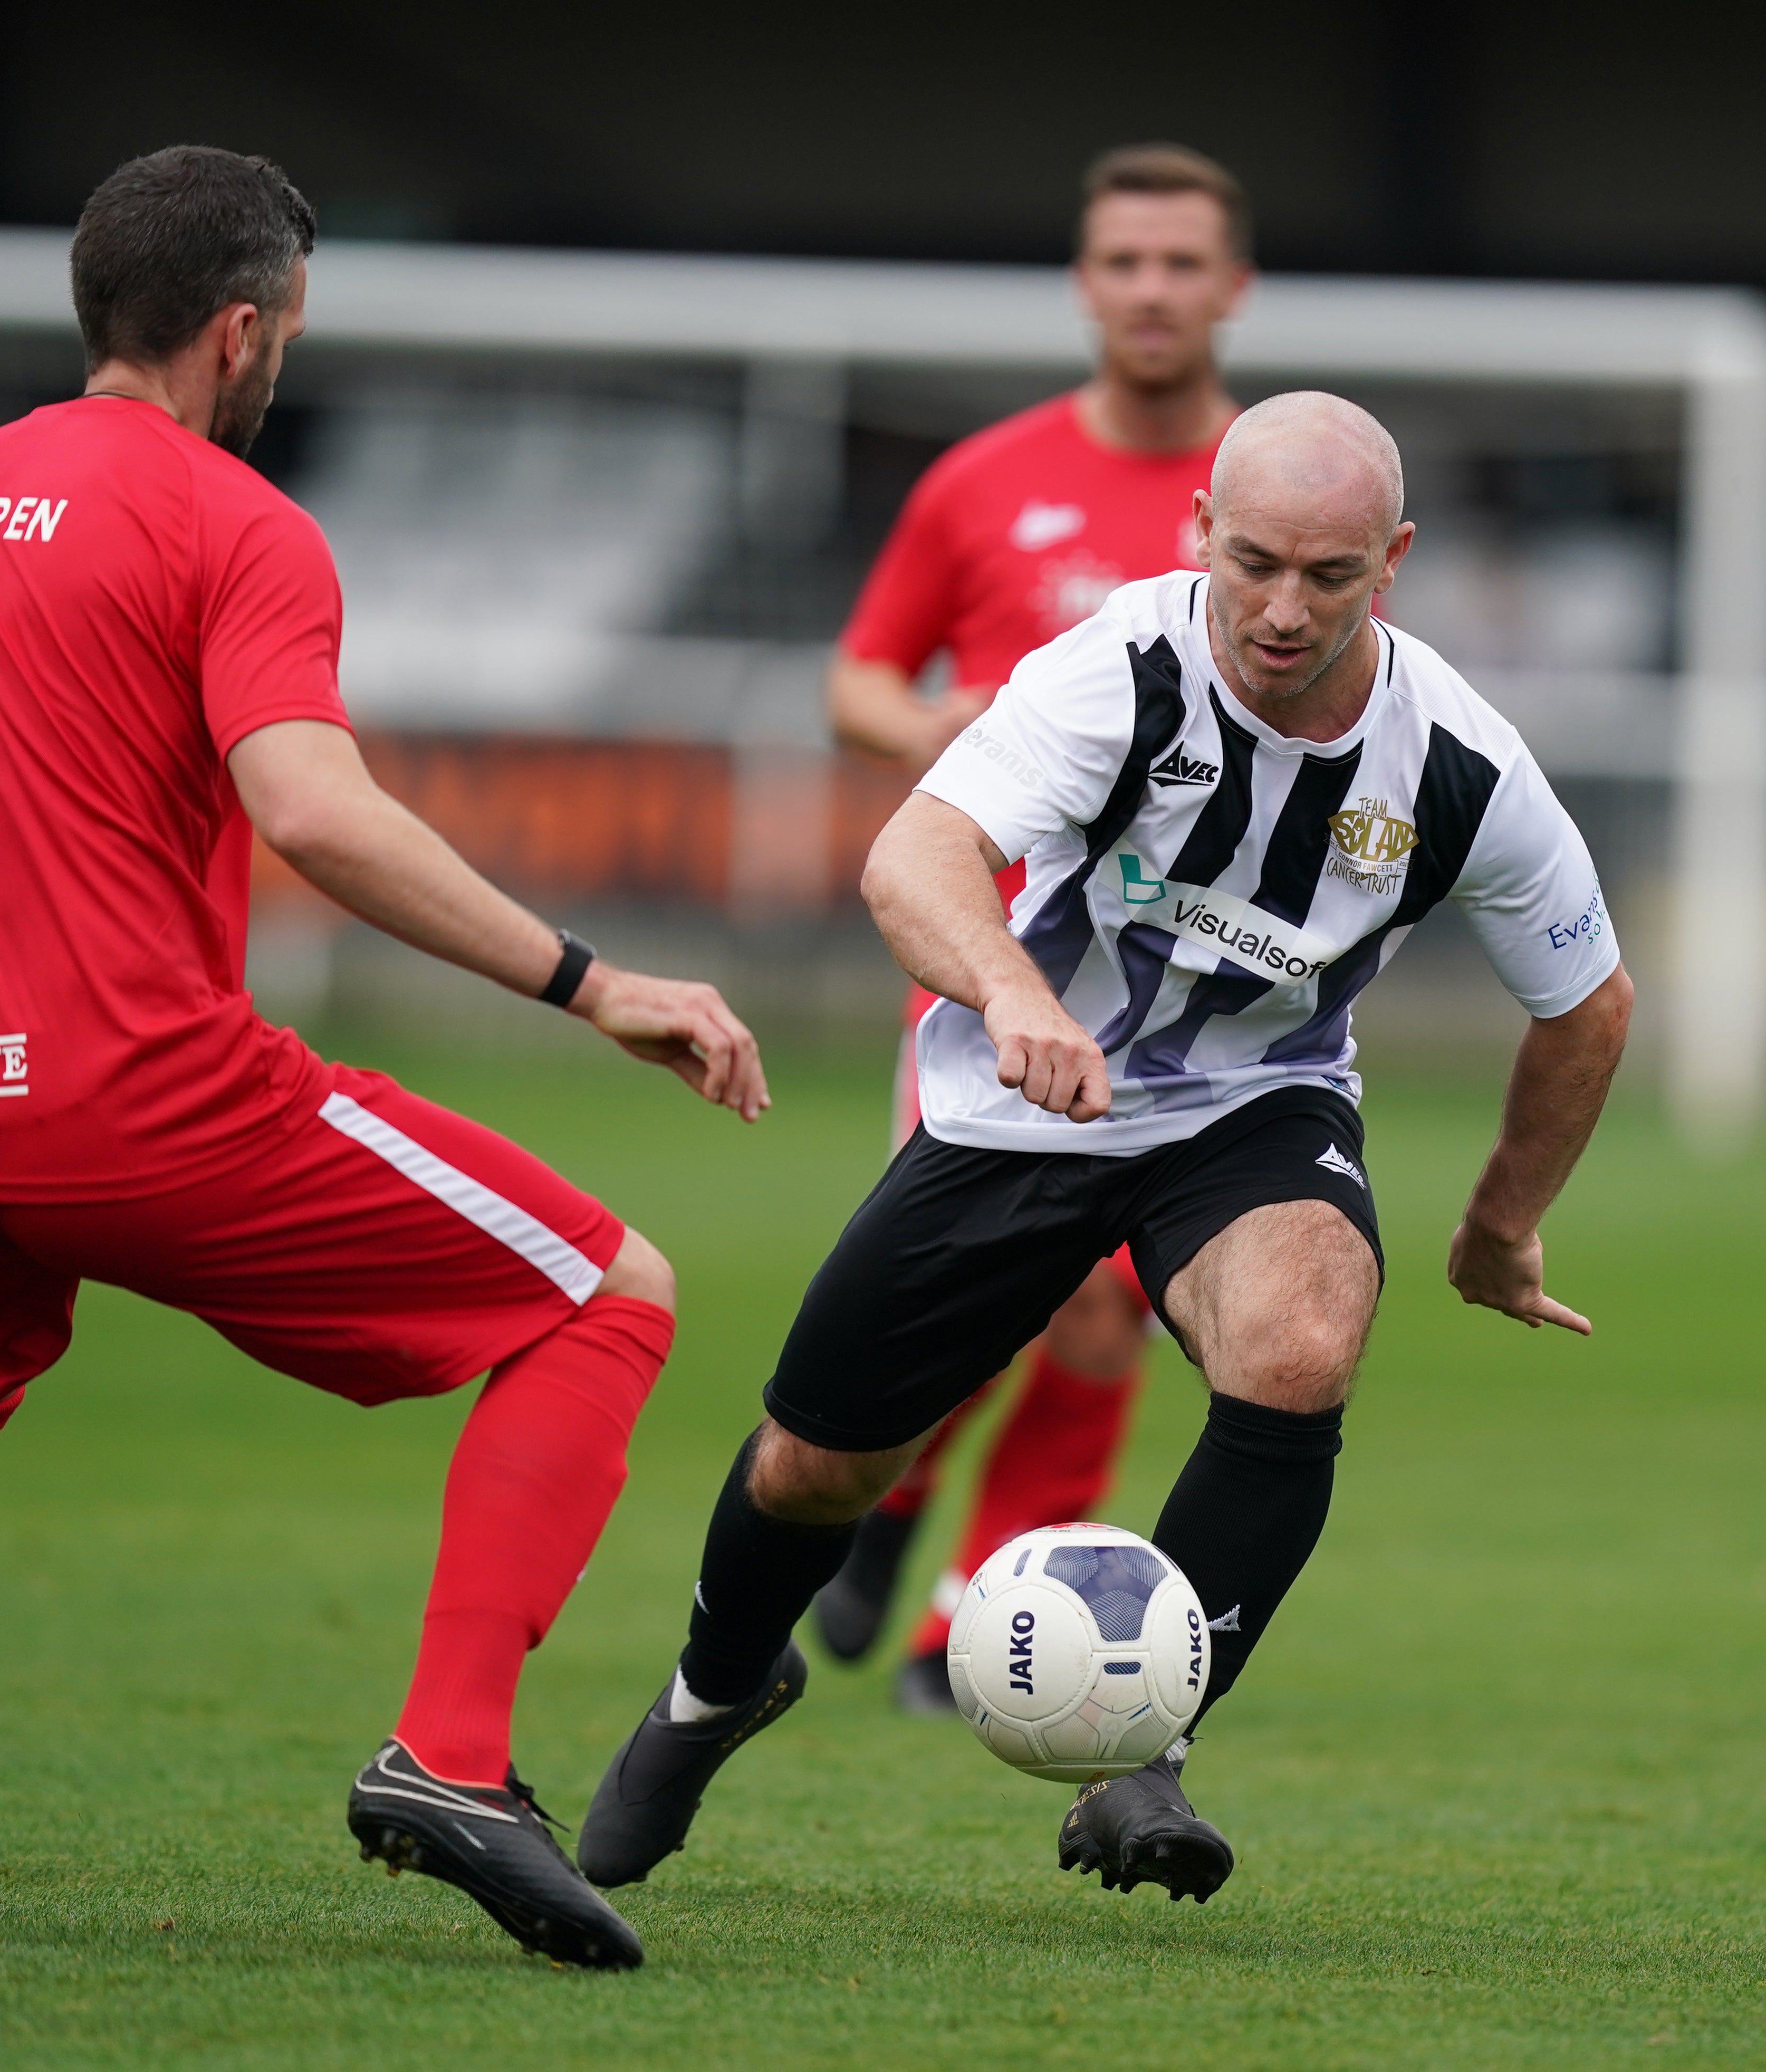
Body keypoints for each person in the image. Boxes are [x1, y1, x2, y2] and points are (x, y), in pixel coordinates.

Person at [0, 146, 767, 1973]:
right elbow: (316, 811)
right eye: (287, 331)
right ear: (239, 328)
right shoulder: (234, 520)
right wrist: (589, 979)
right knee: (605, 1292)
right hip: (133, 1096)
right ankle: (450, 1759)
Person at [574, 391, 1632, 1905]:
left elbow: (1586, 1003)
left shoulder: (1457, 761)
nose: (1280, 609)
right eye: (1251, 559)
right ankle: (710, 1691)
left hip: (1249, 1107)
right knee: (817, 1466)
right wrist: (1009, 991)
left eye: (1327, 576)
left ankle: (1146, 1751)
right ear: (1197, 529)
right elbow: (912, 857)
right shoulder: (1112, 670)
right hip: (1026, 1107)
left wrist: (1499, 1223)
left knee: (1303, 1336)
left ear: (1390, 563)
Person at [817, 144, 1253, 1710]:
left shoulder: (1269, 505)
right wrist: (949, 720)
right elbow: (855, 675)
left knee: (1101, 1317)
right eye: (1123, 260)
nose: (1150, 289)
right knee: (972, 1294)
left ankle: (975, 1621)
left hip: (1186, 980)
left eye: (1180, 262)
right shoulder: (983, 481)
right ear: (1086, 284)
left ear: (1231, 287)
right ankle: (900, 1492)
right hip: (988, 961)